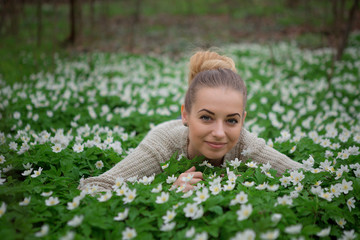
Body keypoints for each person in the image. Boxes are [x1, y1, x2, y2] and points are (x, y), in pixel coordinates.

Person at [79, 51, 302, 192]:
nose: (219, 133)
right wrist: (169, 191)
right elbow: (94, 188)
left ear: (242, 120)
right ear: (185, 114)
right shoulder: (162, 144)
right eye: (206, 117)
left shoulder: (245, 144)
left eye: (231, 121)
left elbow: (307, 176)